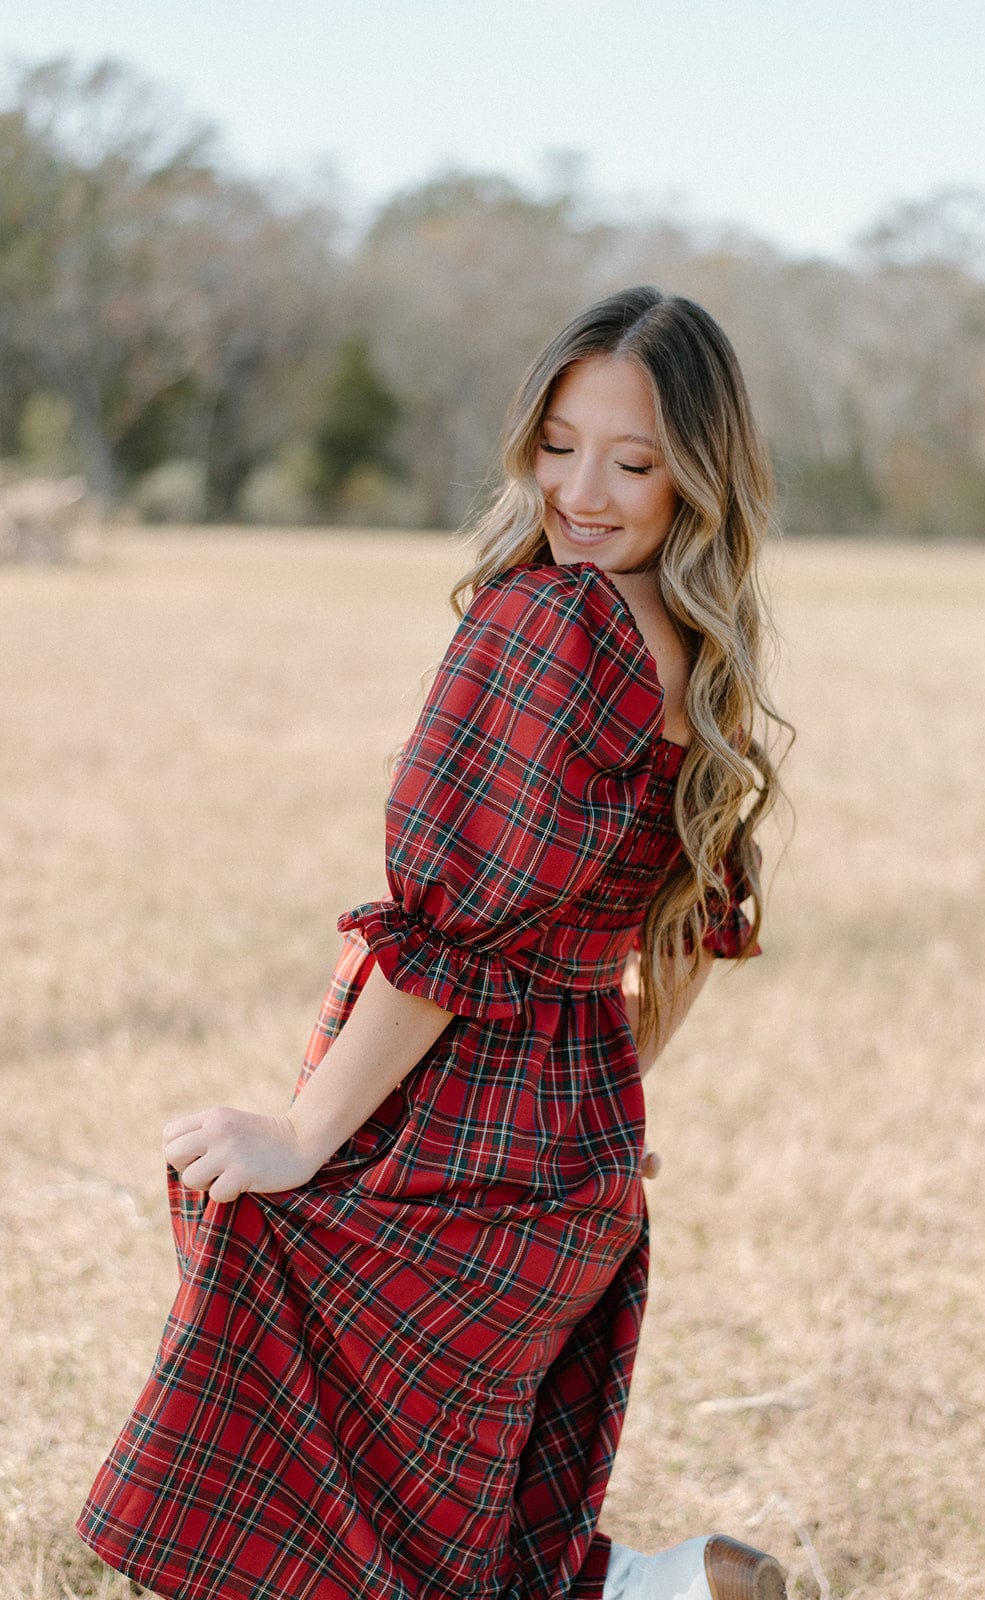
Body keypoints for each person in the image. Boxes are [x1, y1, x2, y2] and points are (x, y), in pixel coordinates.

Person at [77, 286, 791, 1600]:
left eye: (632, 463)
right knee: (446, 1519)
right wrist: (603, 1113)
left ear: (697, 475)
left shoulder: (550, 626)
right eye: (558, 444)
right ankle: (672, 1585)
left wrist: (303, 1134)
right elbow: (669, 943)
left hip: (466, 1128)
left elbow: (446, 938)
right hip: (582, 1155)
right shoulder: (695, 654)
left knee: (262, 1309)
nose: (582, 490)